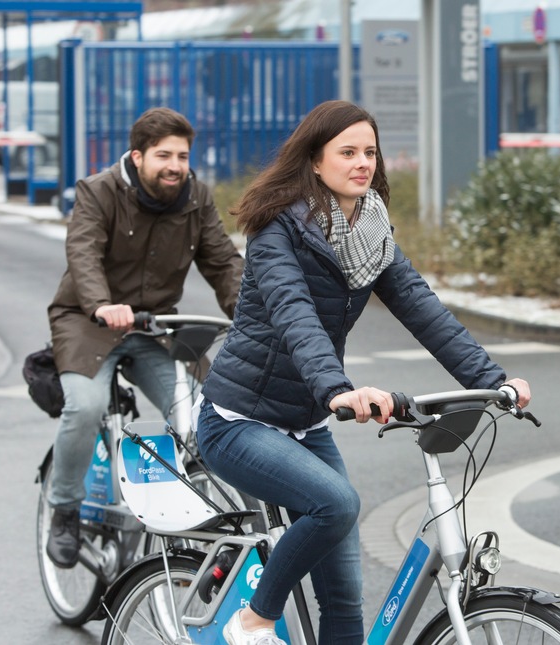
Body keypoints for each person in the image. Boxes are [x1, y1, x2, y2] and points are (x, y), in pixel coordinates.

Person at [194, 100, 531, 645]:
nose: (362, 162)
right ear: (315, 161)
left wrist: (492, 379)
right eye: (347, 151)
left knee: (345, 600)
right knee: (337, 505)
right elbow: (293, 314)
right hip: (238, 422)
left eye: (369, 151)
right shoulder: (278, 230)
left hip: (304, 426)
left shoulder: (371, 232)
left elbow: (423, 309)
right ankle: (253, 620)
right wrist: (338, 390)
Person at [46, 107, 243, 568]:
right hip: (87, 322)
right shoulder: (98, 191)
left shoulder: (196, 197)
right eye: (164, 155)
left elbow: (223, 263)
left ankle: (202, 511)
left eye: (183, 155)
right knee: (85, 405)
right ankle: (65, 509)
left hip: (155, 327)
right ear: (137, 157)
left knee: (201, 412)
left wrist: (253, 315)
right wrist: (99, 303)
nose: (176, 165)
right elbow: (83, 253)